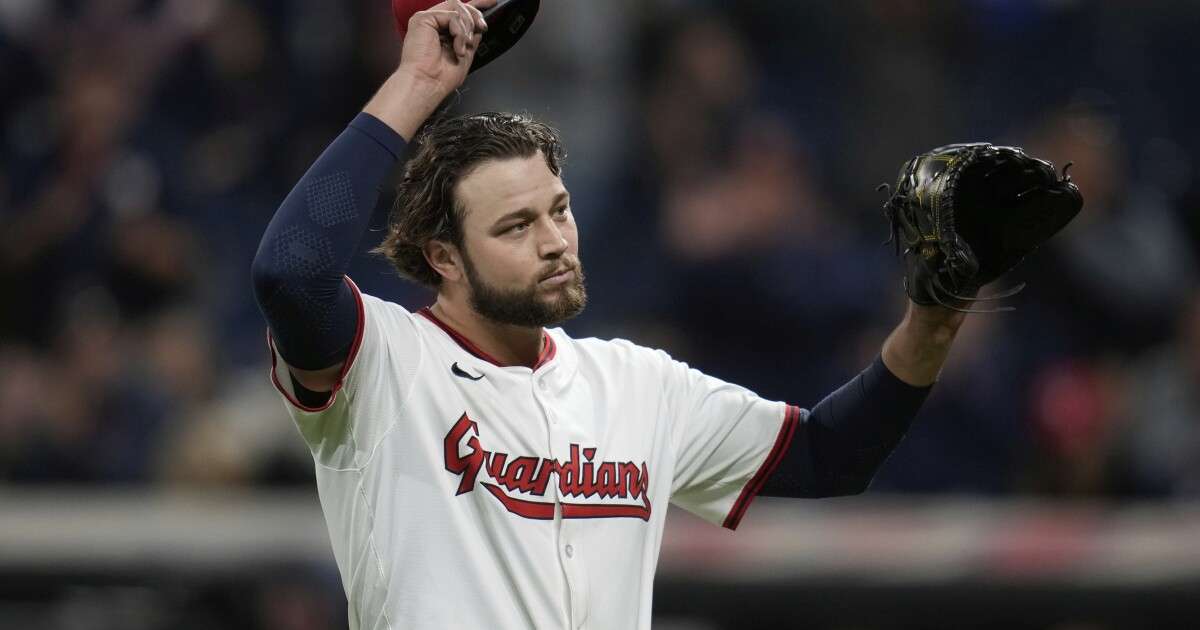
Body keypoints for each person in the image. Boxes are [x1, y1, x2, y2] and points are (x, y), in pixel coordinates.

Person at [251, 1, 967, 627]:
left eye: (559, 210)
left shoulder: (636, 384)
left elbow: (829, 455)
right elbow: (290, 273)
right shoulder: (385, 366)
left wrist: (932, 321)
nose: (556, 242)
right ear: (443, 257)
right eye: (515, 227)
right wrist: (417, 86)